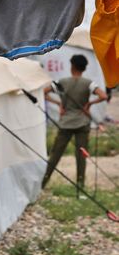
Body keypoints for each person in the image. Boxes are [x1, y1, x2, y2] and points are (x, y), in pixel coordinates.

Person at [42, 54, 108, 189]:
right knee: (81, 155)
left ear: (72, 66)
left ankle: (43, 183)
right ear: (84, 69)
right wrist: (89, 104)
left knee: (55, 155)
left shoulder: (62, 82)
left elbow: (44, 92)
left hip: (65, 123)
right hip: (82, 122)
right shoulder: (89, 83)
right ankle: (80, 186)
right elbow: (103, 95)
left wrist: (58, 103)